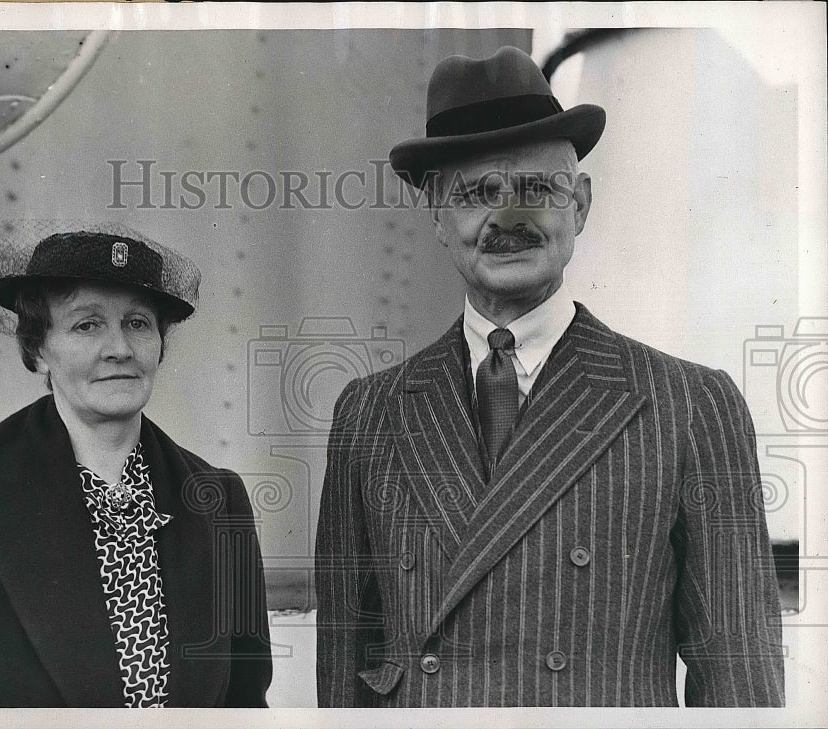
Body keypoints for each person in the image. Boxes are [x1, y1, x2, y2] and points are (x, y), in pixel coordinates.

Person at [315, 46, 784, 707]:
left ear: (581, 206)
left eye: (537, 188)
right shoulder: (368, 413)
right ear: (437, 219)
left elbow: (740, 686)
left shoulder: (690, 405)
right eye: (478, 193)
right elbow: (346, 676)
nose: (508, 216)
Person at [0, 222, 272, 707]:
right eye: (86, 324)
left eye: (138, 323)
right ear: (37, 350)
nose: (120, 348)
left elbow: (245, 706)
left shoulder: (220, 501)